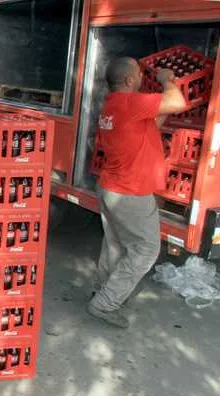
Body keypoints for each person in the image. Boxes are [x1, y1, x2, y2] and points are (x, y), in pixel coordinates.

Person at [88, 57, 188, 328]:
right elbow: (179, 102)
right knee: (146, 250)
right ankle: (105, 303)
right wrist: (168, 80)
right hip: (130, 192)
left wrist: (160, 105)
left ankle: (102, 289)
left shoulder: (113, 106)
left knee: (114, 246)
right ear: (130, 80)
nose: (144, 78)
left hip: (112, 187)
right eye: (140, 75)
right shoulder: (130, 103)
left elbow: (149, 127)